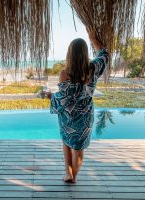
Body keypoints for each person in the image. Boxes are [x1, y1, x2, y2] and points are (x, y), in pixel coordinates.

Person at [47, 29, 108, 183]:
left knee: (67, 142)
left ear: (69, 54)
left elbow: (63, 99)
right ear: (85, 52)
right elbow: (104, 55)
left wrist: (50, 96)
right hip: (85, 116)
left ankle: (69, 174)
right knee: (78, 147)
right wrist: (94, 38)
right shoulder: (93, 69)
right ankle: (73, 175)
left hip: (68, 116)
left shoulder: (64, 73)